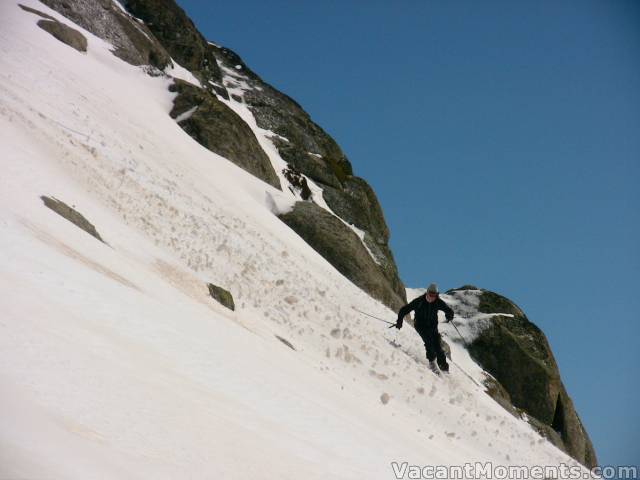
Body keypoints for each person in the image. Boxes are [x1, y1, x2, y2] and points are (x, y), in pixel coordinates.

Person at [395, 283, 454, 373]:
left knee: (438, 347)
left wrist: (449, 315)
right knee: (429, 342)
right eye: (430, 295)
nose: (432, 298)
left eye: (435, 296)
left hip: (432, 327)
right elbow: (404, 310)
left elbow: (448, 310)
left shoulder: (438, 302)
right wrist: (399, 321)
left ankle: (444, 368)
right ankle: (432, 362)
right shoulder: (419, 301)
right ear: (427, 293)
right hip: (420, 325)